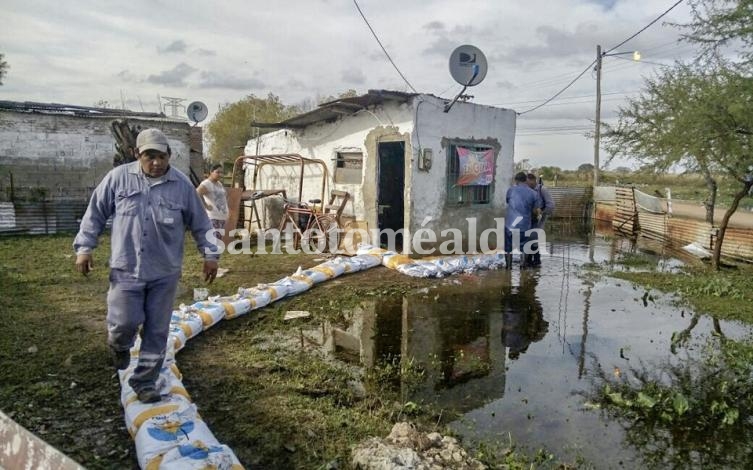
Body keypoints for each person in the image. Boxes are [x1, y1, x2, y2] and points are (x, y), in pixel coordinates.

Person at [73, 128, 219, 404]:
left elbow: (201, 223)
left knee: (157, 329)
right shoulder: (118, 179)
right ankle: (119, 345)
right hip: (126, 268)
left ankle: (144, 381)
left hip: (165, 272)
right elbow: (94, 214)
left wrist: (210, 255)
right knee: (123, 323)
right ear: (136, 154)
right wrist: (84, 248)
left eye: (161, 157)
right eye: (149, 156)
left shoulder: (182, 186)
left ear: (169, 156)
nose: (156, 163)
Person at [500, 269, 548, 360]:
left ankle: (526, 275)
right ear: (510, 351)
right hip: (507, 304)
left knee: (526, 291)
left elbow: (531, 324)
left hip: (521, 306)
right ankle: (516, 273)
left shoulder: (525, 343)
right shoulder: (504, 342)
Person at [504, 171, 540, 269]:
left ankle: (508, 268)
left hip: (510, 225)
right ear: (526, 180)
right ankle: (522, 267)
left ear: (516, 180)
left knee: (508, 248)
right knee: (524, 247)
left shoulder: (510, 190)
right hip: (524, 225)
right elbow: (535, 211)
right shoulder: (533, 193)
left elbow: (508, 202)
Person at [196, 164, 229, 269]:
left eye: (221, 172)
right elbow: (196, 194)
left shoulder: (218, 183)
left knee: (218, 242)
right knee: (212, 241)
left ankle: (215, 264)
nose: (220, 174)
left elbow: (223, 196)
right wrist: (205, 206)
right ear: (211, 172)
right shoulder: (207, 184)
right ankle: (210, 264)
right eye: (217, 172)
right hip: (212, 217)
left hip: (221, 217)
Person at [526, 173, 555, 267]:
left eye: (528, 182)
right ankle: (530, 261)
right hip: (529, 217)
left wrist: (541, 213)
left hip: (539, 218)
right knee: (529, 238)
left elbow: (551, 205)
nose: (527, 184)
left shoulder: (542, 190)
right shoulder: (527, 190)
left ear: (533, 180)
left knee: (533, 238)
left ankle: (536, 261)